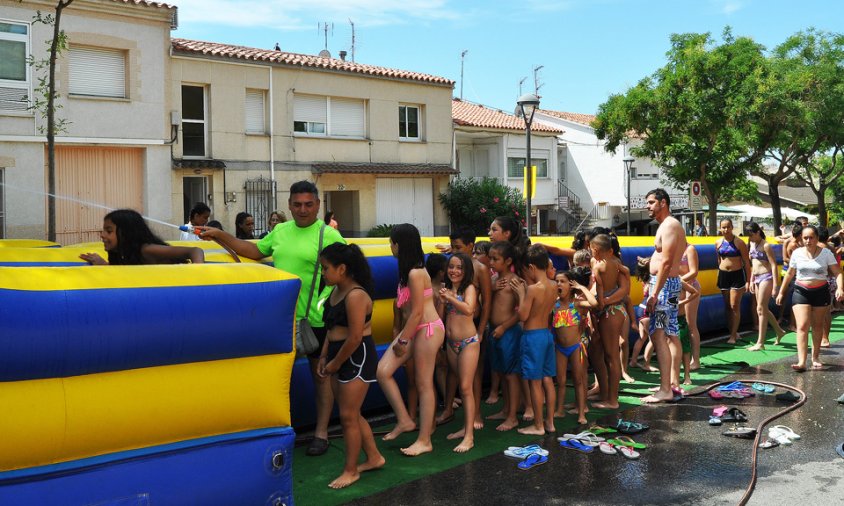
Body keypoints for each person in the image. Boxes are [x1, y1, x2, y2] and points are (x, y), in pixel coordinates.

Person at [199, 181, 344, 457]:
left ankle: (322, 433)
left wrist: (328, 306)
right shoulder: (280, 231)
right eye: (298, 204)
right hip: (283, 318)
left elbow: (347, 273)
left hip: (316, 319)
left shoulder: (330, 236)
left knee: (321, 377)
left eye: (309, 204)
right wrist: (220, 235)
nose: (303, 210)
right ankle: (279, 431)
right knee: (278, 377)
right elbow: (254, 251)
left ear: (318, 205)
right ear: (289, 205)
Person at [316, 243, 384, 489]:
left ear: (342, 269)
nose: (323, 273)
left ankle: (351, 470)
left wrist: (335, 363)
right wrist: (324, 356)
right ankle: (375, 457)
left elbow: (355, 337)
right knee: (351, 414)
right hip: (338, 354)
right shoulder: (335, 292)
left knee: (347, 417)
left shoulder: (356, 295)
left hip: (356, 356)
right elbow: (331, 329)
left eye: (325, 268)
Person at [376, 223, 444, 456]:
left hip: (426, 329)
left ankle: (425, 440)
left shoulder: (416, 273)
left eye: (391, 243)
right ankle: (405, 419)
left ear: (399, 245)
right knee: (383, 372)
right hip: (413, 330)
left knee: (424, 383)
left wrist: (402, 341)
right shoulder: (407, 272)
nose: (390, 248)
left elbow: (416, 312)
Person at [776, 225, 844, 371]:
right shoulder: (797, 253)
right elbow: (789, 274)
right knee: (802, 326)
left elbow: (838, 272)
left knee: (817, 326)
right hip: (801, 290)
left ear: (817, 238)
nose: (808, 240)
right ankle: (801, 361)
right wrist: (781, 292)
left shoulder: (826, 253)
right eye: (805, 238)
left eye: (811, 237)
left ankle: (815, 357)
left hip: (820, 292)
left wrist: (840, 288)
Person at [642, 189, 686, 404]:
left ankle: (665, 389)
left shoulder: (669, 225)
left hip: (665, 287)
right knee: (665, 334)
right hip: (664, 285)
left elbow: (667, 263)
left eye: (651, 203)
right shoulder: (666, 225)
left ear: (663, 203)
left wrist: (655, 292)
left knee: (659, 335)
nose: (648, 206)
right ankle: (667, 384)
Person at [509, 245, 557, 435]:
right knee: (548, 380)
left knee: (534, 382)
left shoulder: (532, 289)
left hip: (532, 336)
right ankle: (550, 422)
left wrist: (521, 294)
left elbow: (523, 316)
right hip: (546, 335)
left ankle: (538, 425)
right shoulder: (553, 286)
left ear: (530, 267)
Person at [448, 227, 492, 431]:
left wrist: (482, 329)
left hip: (473, 326)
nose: (455, 251)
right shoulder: (453, 269)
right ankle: (456, 410)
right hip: (455, 329)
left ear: (470, 246)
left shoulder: (479, 269)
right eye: (452, 247)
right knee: (458, 373)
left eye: (458, 247)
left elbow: (487, 302)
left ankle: (476, 414)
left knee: (475, 374)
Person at [437, 253, 479, 452]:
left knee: (465, 387)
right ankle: (465, 428)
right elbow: (440, 318)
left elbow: (469, 309)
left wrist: (451, 298)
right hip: (451, 343)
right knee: (459, 384)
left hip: (468, 343)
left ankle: (469, 436)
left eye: (459, 267)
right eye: (451, 267)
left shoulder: (469, 288)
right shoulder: (446, 290)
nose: (454, 271)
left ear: (466, 270)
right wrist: (441, 300)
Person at [485, 241, 523, 431]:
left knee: (510, 375)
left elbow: (521, 312)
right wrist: (490, 289)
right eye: (490, 258)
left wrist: (504, 327)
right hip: (495, 331)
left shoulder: (515, 281)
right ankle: (506, 408)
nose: (491, 262)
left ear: (508, 261)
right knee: (501, 372)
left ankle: (512, 416)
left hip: (507, 332)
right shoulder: (492, 280)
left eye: (495, 259)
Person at [552, 267, 597, 425]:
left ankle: (581, 411)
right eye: (557, 281)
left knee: (578, 380)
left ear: (570, 285)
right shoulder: (555, 305)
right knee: (561, 380)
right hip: (560, 348)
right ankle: (559, 410)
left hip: (576, 347)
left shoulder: (577, 303)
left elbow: (594, 303)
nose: (559, 284)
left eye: (562, 281)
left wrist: (582, 287)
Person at [80, 209, 204, 265]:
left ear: (125, 233)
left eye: (109, 231)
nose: (102, 235)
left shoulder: (146, 250)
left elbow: (194, 251)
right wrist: (103, 264)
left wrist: (198, 274)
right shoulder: (124, 254)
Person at [745, 222, 786, 351]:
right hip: (756, 278)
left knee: (760, 308)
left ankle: (760, 342)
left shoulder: (766, 246)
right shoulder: (751, 244)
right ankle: (779, 331)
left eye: (751, 235)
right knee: (762, 309)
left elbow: (774, 265)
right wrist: (751, 280)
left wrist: (775, 285)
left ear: (758, 232)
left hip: (766, 277)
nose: (750, 238)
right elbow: (753, 263)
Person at [716, 218, 751, 344]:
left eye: (728, 227)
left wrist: (748, 280)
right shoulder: (718, 242)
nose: (726, 230)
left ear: (732, 228)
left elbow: (747, 263)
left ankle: (733, 336)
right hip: (724, 276)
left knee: (734, 305)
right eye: (723, 227)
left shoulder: (739, 242)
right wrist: (719, 272)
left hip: (737, 275)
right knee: (727, 306)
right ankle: (733, 331)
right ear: (720, 228)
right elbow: (719, 259)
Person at [680, 242, 702, 368]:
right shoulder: (673, 249)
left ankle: (696, 360)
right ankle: (683, 358)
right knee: (680, 323)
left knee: (690, 324)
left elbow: (694, 271)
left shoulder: (689, 249)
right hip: (678, 289)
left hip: (690, 287)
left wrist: (679, 281)